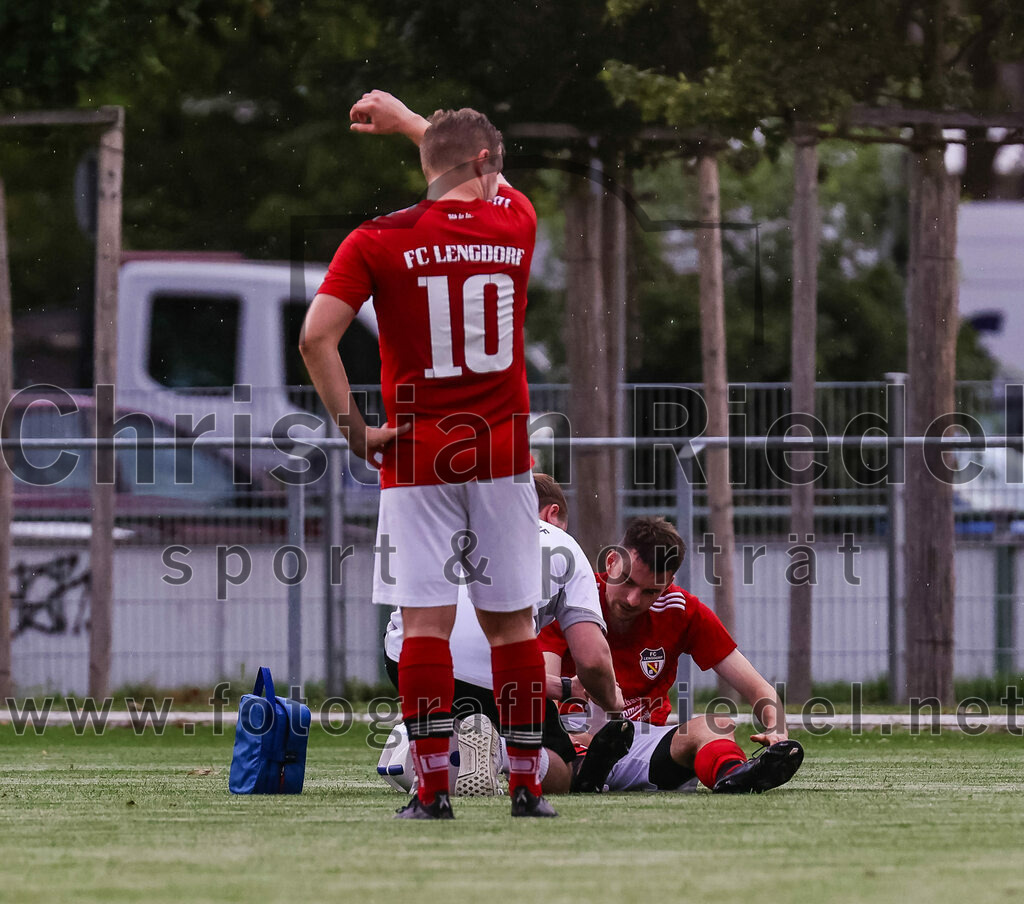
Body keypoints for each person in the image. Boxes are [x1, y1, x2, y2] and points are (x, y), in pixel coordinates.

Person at [300, 90, 554, 818]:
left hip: (415, 456)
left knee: (424, 627)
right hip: (501, 454)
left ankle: (433, 790)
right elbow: (486, 176)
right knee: (513, 626)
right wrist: (416, 122)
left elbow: (316, 337)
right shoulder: (517, 223)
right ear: (483, 162)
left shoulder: (377, 239)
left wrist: (355, 431)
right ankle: (528, 787)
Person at [382, 473, 624, 795]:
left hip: (407, 659)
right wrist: (612, 703)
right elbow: (592, 660)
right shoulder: (560, 542)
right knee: (563, 767)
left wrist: (566, 689)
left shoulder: (445, 523)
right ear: (552, 514)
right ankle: (500, 754)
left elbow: (458, 641)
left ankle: (432, 746)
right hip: (497, 676)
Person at [539, 516, 804, 794]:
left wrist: (776, 729)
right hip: (570, 739)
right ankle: (583, 769)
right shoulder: (574, 599)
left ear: (668, 584)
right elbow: (545, 692)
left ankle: (734, 776)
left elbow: (757, 687)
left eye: (650, 591)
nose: (632, 599)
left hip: (638, 741)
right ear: (611, 562)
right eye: (627, 581)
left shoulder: (681, 610)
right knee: (546, 740)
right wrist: (571, 739)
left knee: (717, 725)